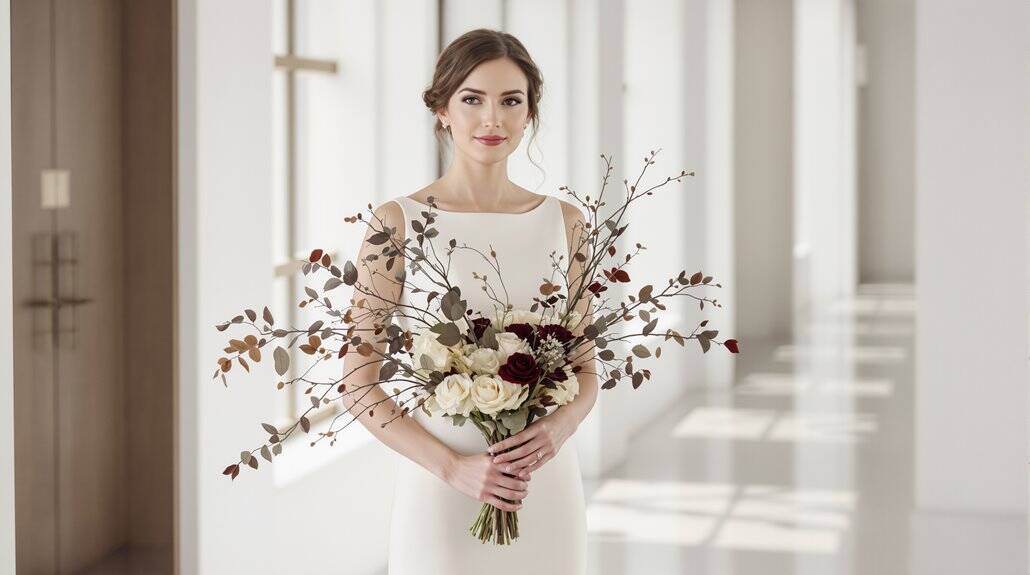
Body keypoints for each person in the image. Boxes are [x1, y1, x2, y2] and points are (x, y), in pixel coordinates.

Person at [339, 29, 597, 574]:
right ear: (442, 110)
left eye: (511, 101)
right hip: (442, 489)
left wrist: (560, 427)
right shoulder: (398, 223)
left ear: (530, 114)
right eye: (472, 99)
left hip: (543, 483)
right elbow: (357, 385)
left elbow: (586, 371)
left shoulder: (565, 224)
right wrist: (456, 469)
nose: (493, 120)